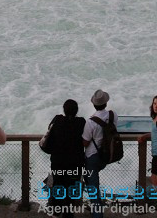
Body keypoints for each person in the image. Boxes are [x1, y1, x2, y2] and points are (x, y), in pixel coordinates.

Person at [43, 99, 85, 218]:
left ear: (64, 110)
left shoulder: (57, 120)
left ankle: (56, 212)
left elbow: (49, 129)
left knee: (58, 185)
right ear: (77, 111)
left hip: (58, 162)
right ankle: (68, 214)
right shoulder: (81, 123)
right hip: (75, 164)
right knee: (72, 187)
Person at [81, 90, 112, 218]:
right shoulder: (112, 115)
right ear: (105, 103)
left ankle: (97, 214)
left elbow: (85, 143)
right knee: (90, 181)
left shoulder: (90, 122)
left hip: (92, 156)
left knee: (93, 185)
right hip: (107, 154)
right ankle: (97, 205)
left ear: (94, 104)